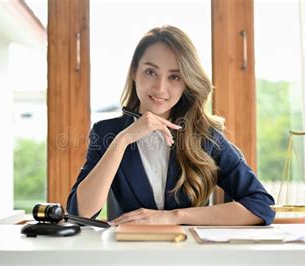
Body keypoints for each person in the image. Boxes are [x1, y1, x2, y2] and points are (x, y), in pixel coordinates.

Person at [67, 25, 275, 226]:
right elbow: (80, 212)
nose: (160, 88)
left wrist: (174, 216)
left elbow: (261, 206)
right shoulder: (106, 133)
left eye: (174, 76)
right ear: (134, 72)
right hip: (130, 253)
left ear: (186, 82)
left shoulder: (206, 136)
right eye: (150, 72)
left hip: (188, 254)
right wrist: (123, 140)